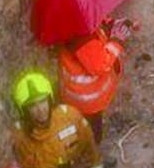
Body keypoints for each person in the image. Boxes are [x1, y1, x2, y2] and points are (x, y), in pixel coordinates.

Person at [58, 15, 135, 144]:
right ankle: (89, 147)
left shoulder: (76, 24)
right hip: (87, 98)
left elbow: (97, 28)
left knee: (79, 120)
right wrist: (116, 41)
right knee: (91, 127)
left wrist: (111, 25)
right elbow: (101, 64)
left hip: (78, 94)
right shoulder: (80, 38)